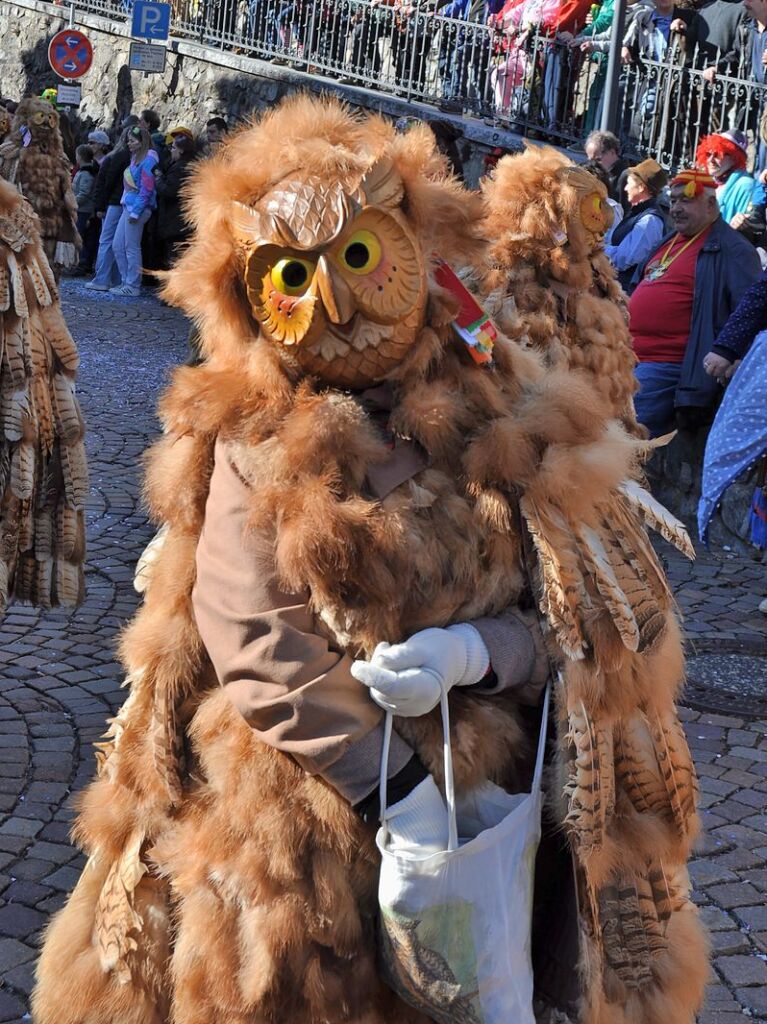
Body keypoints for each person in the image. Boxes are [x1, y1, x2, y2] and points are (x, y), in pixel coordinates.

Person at [629, 167, 761, 436]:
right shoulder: (671, 239)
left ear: (711, 204)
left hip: (667, 366)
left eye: (685, 200)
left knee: (621, 432)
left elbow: (751, 310)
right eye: (674, 200)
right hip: (626, 356)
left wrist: (733, 355)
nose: (675, 208)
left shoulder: (735, 249)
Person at [605, 157, 668, 291]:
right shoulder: (638, 212)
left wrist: (597, 248)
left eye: (629, 183)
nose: (626, 188)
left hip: (627, 291)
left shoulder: (650, 221)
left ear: (641, 188)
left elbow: (624, 258)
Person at [110, 124, 157, 297]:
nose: (128, 143)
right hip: (128, 206)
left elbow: (147, 189)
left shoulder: (148, 160)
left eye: (132, 141)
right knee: (117, 245)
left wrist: (136, 211)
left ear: (141, 142)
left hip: (136, 208)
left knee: (131, 247)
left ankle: (133, 284)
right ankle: (126, 281)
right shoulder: (136, 158)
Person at [86, 127, 132, 292]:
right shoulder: (129, 157)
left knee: (108, 241)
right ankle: (114, 278)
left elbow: (107, 183)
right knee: (119, 243)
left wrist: (100, 205)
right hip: (122, 202)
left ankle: (103, 279)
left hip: (115, 203)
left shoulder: (117, 157)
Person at [696, 129, 764, 225]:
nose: (710, 160)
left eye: (717, 155)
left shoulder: (745, 185)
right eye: (708, 154)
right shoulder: (711, 182)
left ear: (734, 158)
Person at [155, 133, 197, 267]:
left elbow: (168, 191)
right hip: (180, 219)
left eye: (173, 148)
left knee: (174, 258)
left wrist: (159, 179)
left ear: (181, 150)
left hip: (175, 219)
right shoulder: (188, 164)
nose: (171, 151)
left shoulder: (179, 168)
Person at [71, 143, 100, 276]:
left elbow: (84, 193)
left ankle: (82, 264)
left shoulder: (86, 174)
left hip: (83, 210)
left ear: (80, 157)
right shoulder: (83, 172)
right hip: (81, 209)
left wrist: (72, 203)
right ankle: (81, 263)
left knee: (81, 237)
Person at [584, 128, 629, 206]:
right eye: (590, 160)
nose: (593, 164)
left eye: (598, 159)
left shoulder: (624, 176)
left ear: (612, 152)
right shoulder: (594, 173)